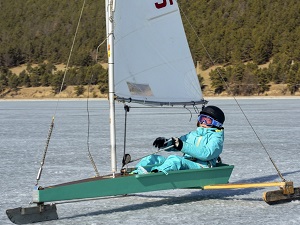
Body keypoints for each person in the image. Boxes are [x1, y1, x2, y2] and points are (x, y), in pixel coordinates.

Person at [132, 105, 225, 175]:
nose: (203, 122)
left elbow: (206, 154)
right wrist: (165, 143)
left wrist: (183, 146)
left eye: (207, 120)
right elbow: (177, 143)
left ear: (216, 123)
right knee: (152, 159)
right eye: (201, 119)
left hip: (201, 168)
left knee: (175, 160)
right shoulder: (193, 135)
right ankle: (136, 173)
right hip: (186, 163)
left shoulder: (216, 139)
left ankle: (156, 174)